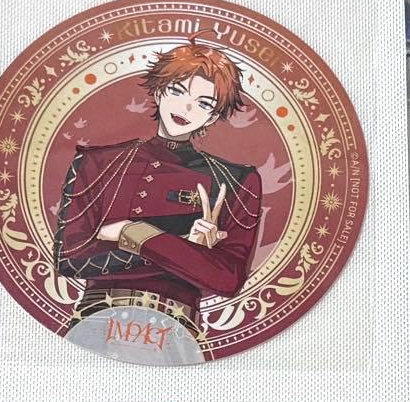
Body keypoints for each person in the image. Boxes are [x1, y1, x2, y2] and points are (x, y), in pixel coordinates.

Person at [54, 40, 261, 363]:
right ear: (159, 91)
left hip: (176, 337)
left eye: (204, 103)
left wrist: (132, 233)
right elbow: (70, 258)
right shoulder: (97, 163)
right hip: (94, 327)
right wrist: (186, 250)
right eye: (177, 91)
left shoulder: (235, 180)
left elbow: (228, 279)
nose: (186, 108)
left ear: (213, 117)